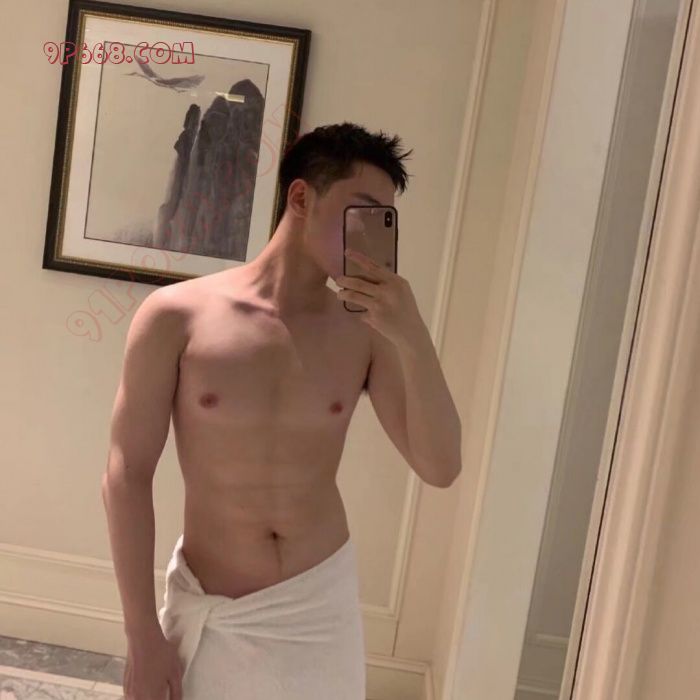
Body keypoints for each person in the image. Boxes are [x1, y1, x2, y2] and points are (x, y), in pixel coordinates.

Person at [101, 121, 463, 700]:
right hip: (212, 604)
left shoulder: (367, 332)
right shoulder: (177, 316)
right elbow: (126, 473)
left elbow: (440, 466)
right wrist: (141, 632)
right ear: (301, 197)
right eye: (360, 210)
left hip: (317, 608)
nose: (368, 231)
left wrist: (413, 336)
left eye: (383, 219)